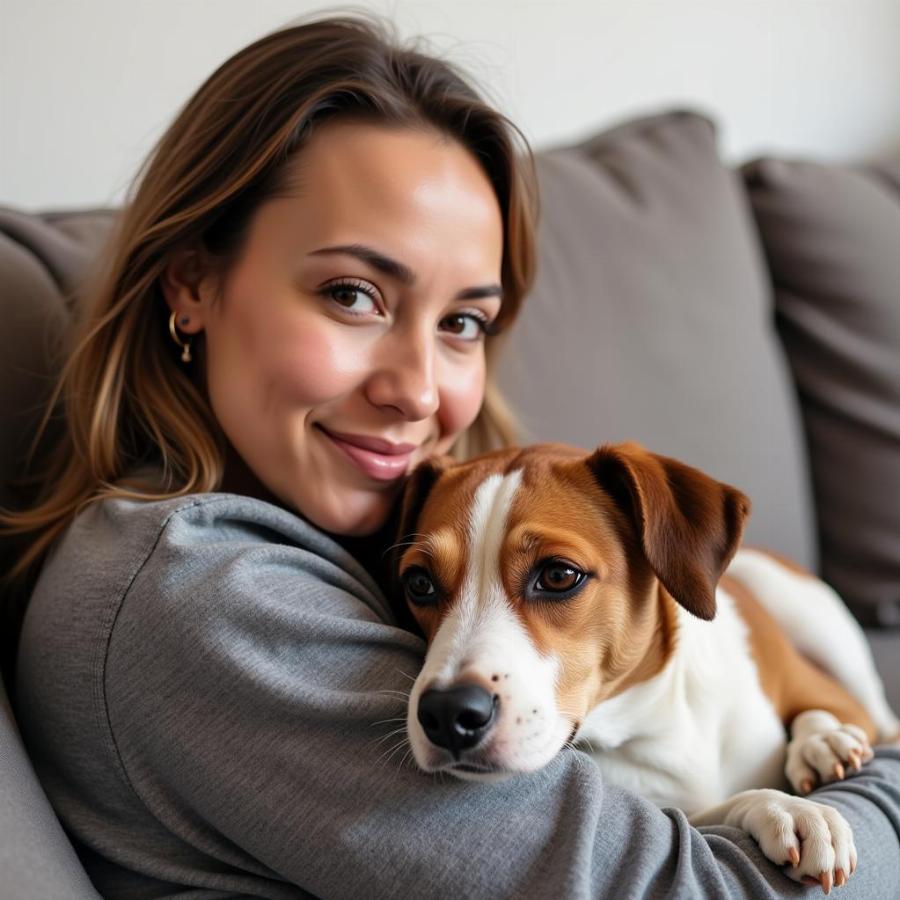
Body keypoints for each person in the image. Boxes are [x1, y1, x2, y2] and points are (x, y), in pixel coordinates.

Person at [2, 14, 899, 899]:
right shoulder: (202, 596)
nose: (419, 391)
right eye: (352, 294)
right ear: (194, 283)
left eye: (463, 321)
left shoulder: (393, 523)